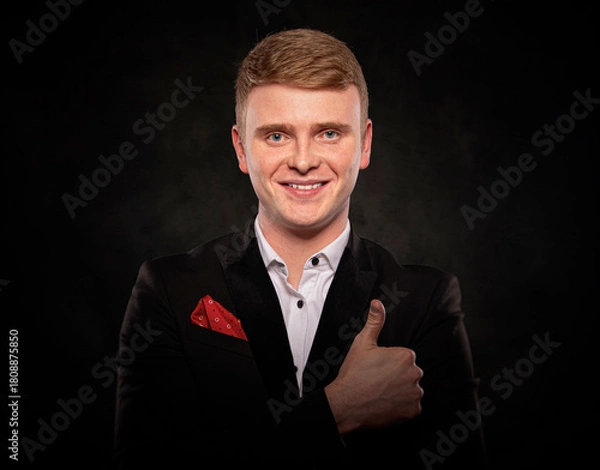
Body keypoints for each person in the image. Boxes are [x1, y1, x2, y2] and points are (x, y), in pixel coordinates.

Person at [113, 28, 485, 469]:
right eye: (276, 136)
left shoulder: (425, 302)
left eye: (329, 133)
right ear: (240, 149)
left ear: (364, 144)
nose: (304, 160)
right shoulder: (169, 290)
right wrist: (337, 412)